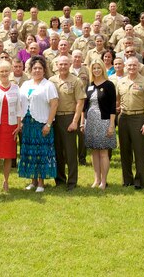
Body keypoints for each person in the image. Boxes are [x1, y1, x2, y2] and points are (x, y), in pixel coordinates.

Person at [19, 56, 58, 193]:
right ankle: (33, 181)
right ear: (30, 70)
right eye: (34, 68)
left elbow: (54, 105)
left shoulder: (48, 85)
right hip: (28, 124)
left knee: (41, 153)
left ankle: (41, 183)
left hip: (41, 124)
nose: (37, 71)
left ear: (44, 70)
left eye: (40, 68)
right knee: (30, 153)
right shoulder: (25, 84)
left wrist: (48, 124)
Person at [116, 57, 144, 189]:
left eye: (134, 65)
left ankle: (139, 181)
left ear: (138, 67)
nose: (131, 68)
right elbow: (117, 100)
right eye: (129, 66)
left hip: (138, 117)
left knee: (139, 151)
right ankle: (127, 180)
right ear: (125, 67)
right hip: (123, 118)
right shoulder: (120, 82)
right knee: (124, 150)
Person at [50, 56, 86, 191]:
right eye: (61, 64)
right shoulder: (51, 81)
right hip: (55, 118)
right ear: (57, 65)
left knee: (70, 152)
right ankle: (59, 180)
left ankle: (72, 181)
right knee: (57, 150)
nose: (63, 66)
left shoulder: (76, 81)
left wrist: (75, 121)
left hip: (69, 117)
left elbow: (80, 102)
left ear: (70, 65)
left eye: (66, 64)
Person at [82, 59, 117, 190]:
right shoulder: (89, 85)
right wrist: (82, 123)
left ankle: (104, 181)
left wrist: (111, 125)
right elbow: (84, 106)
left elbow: (113, 106)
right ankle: (96, 179)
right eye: (94, 68)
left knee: (103, 152)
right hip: (90, 121)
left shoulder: (109, 85)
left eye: (98, 68)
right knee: (94, 151)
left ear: (103, 68)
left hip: (104, 121)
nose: (96, 70)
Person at [0, 61, 22, 193]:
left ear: (10, 72)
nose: (4, 74)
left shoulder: (15, 88)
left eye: (6, 71)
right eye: (1, 71)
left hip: (11, 126)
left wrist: (19, 124)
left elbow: (19, 107)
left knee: (8, 156)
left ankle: (6, 182)